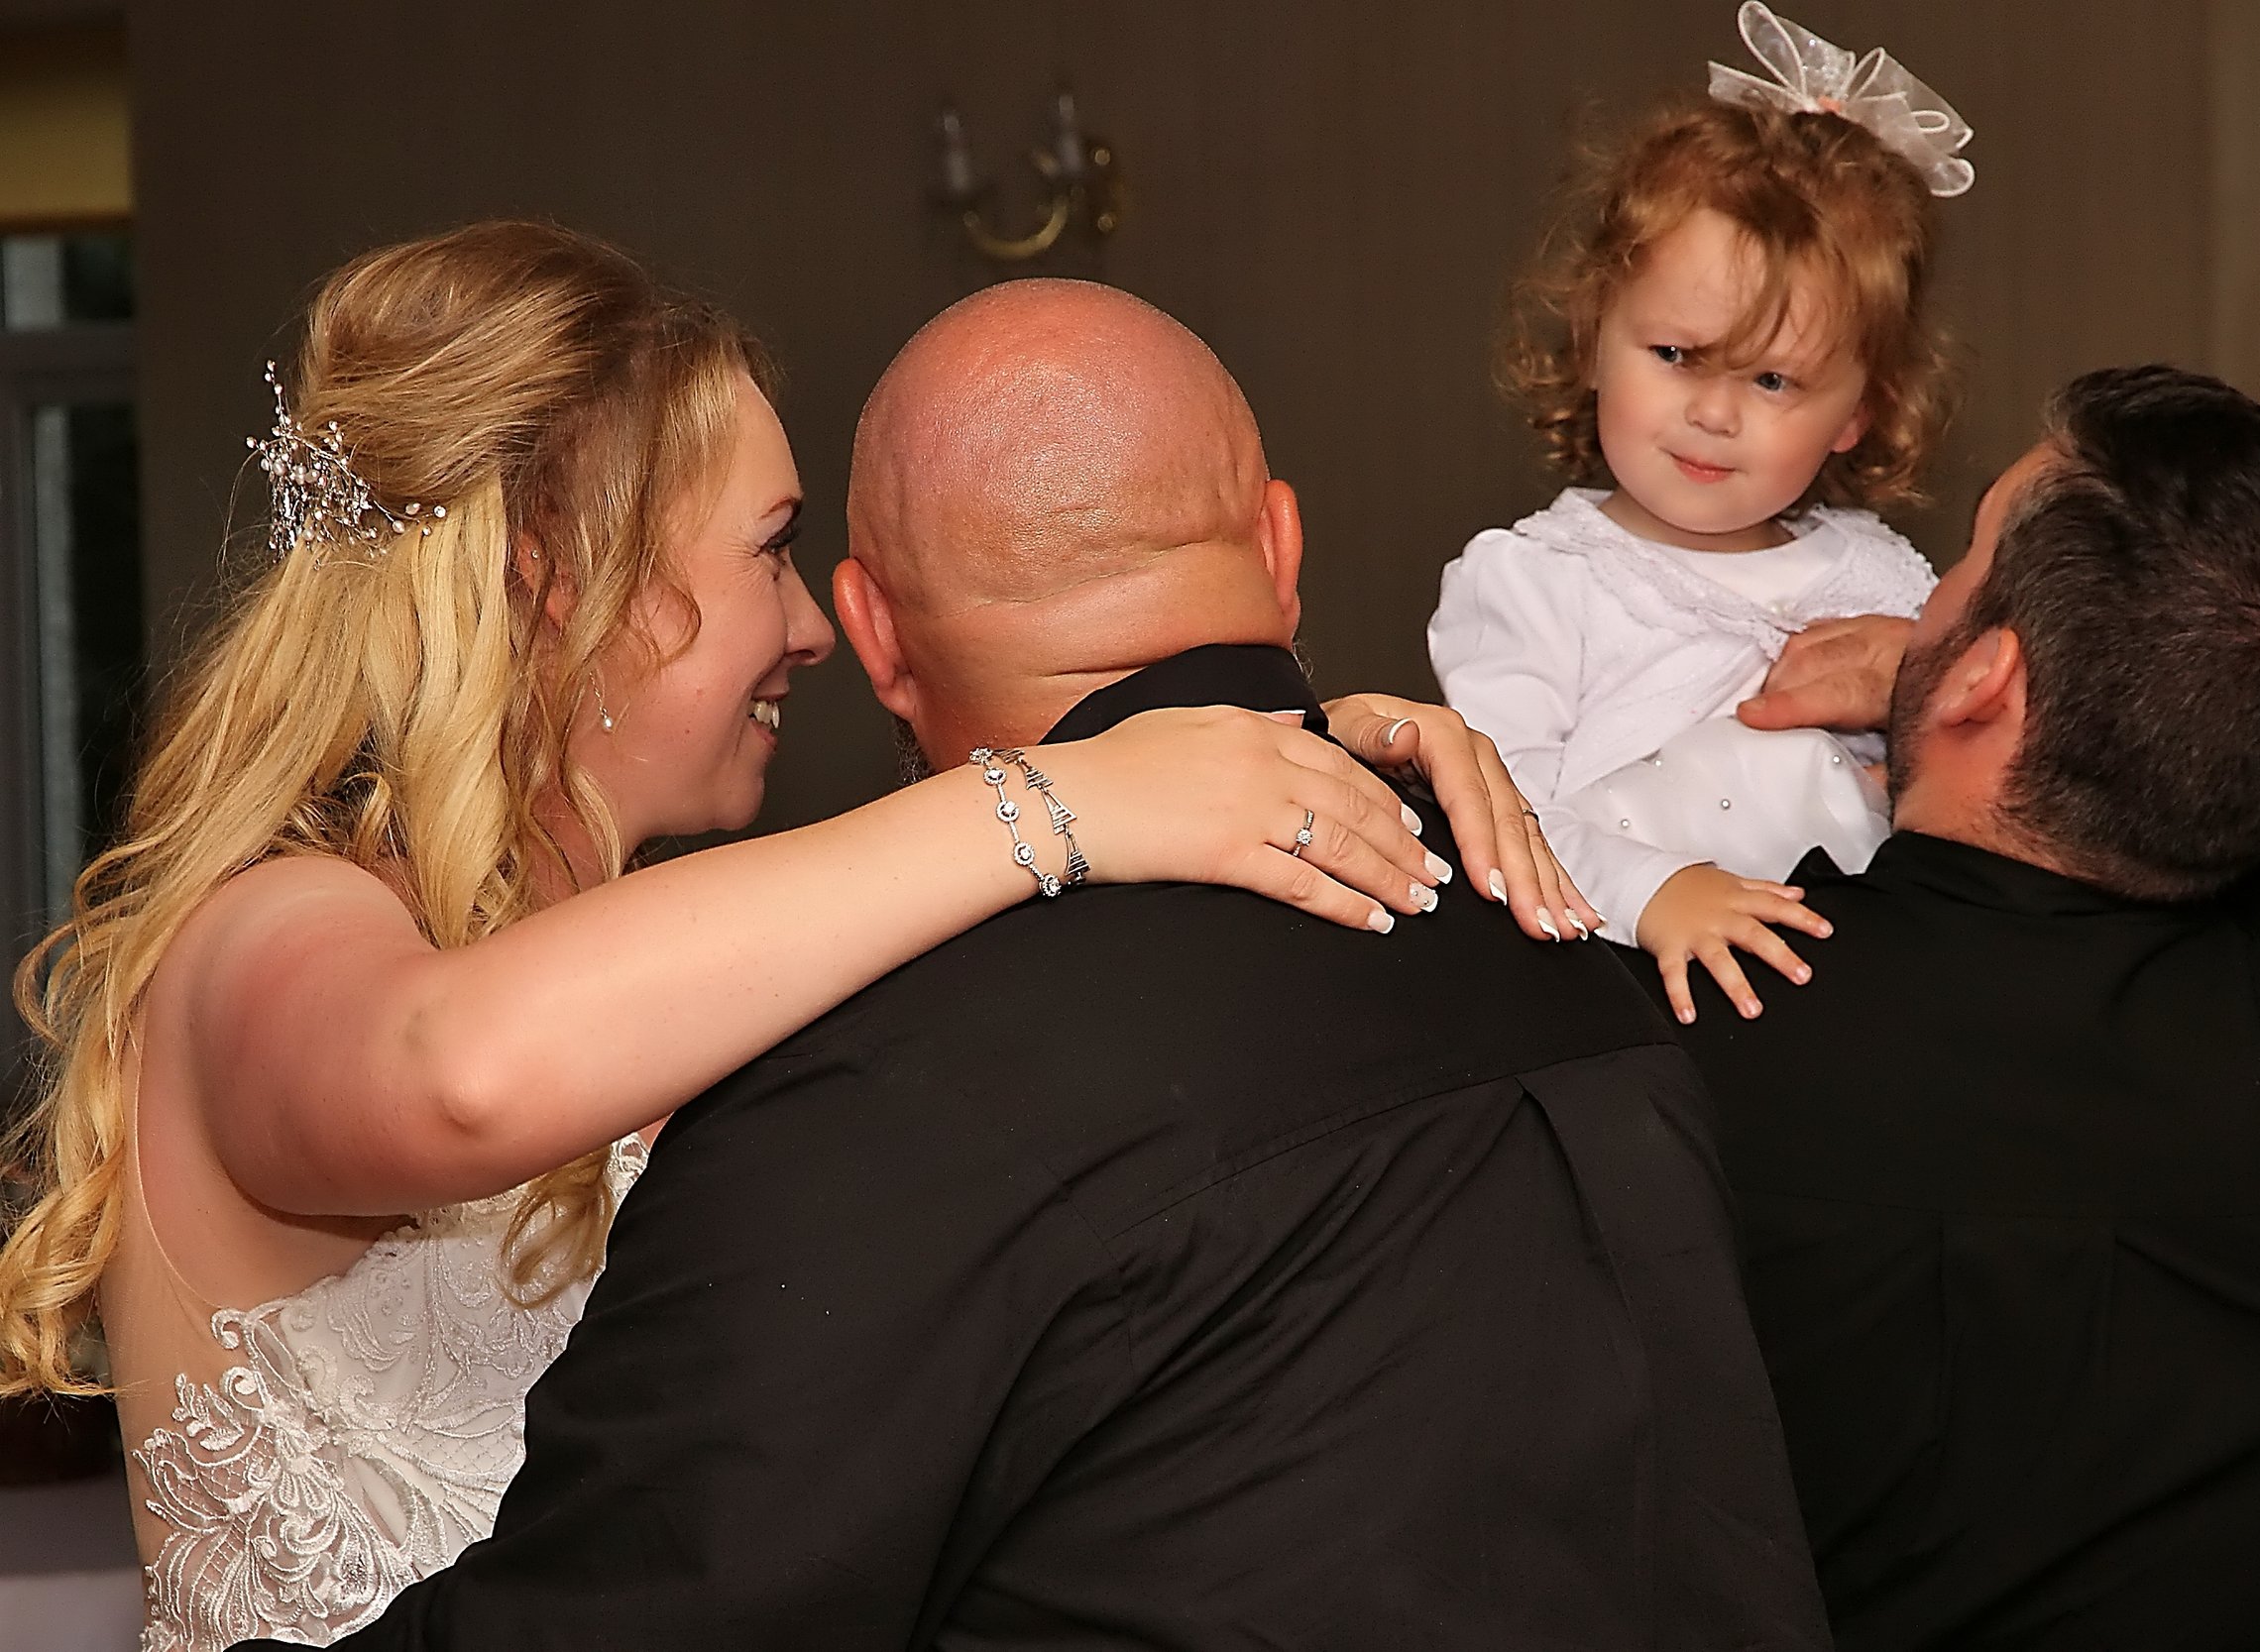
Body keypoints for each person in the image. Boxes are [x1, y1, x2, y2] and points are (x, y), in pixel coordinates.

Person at [0, 223, 1580, 1652]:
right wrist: (1063, 794)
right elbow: (460, 1073)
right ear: (559, 583)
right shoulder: (265, 929)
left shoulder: (670, 960)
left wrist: (1279, 745)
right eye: (767, 548)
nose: (816, 628)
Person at [262, 277, 1832, 1652]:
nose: (802, 627)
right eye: (769, 553)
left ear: (880, 635)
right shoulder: (1542, 921)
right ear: (1281, 547)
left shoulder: (887, 1081)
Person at [1656, 365, 2260, 1649]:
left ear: (1988, 678)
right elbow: (2253, 760)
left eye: (1961, 560)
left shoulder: (1714, 1054)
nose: (1921, 602)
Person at [1429, 3, 1976, 1024]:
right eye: (1675, 355)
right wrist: (1655, 891)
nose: (1714, 413)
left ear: (1858, 410)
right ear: (1595, 336)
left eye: (1772, 380)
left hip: (1872, 1002)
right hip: (1633, 1006)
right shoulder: (1535, 581)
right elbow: (1503, 814)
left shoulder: (1889, 580)